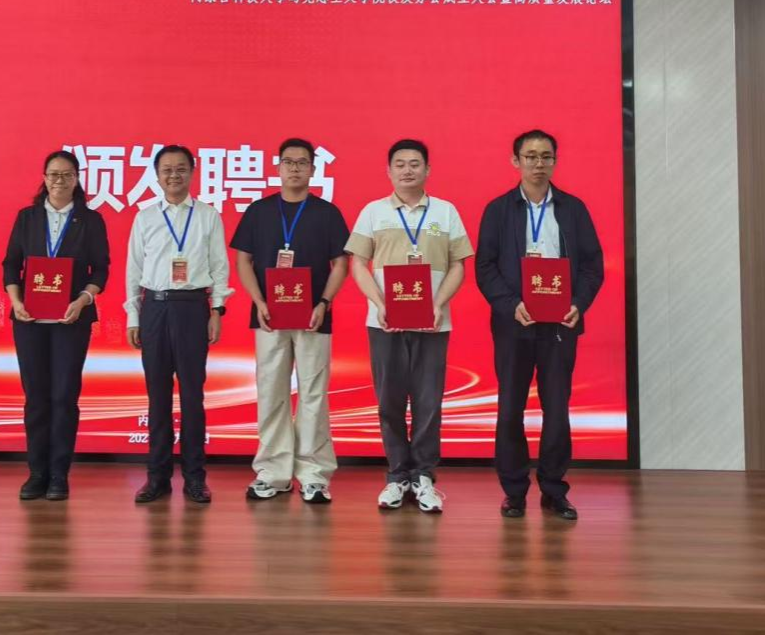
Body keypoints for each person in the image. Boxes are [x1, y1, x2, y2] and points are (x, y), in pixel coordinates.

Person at [475, 129, 603, 522]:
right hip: (514, 324)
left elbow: (592, 265)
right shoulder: (498, 210)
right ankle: (514, 492)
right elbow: (485, 267)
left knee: (557, 409)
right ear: (515, 161)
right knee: (510, 408)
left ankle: (554, 489)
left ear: (555, 162)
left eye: (546, 156)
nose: (538, 164)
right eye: (530, 156)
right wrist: (510, 304)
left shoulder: (573, 209)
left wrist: (579, 304)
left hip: (560, 324)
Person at [345, 139, 472, 514]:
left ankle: (424, 476)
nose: (407, 170)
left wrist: (437, 304)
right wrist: (380, 304)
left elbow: (459, 264)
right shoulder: (373, 212)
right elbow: (357, 264)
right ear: (388, 171)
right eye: (399, 164)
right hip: (384, 323)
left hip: (433, 322)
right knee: (390, 400)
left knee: (429, 401)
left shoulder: (446, 212)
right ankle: (397, 475)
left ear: (427, 170)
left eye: (415, 163)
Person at [231, 138, 349, 505]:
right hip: (269, 316)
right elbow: (243, 260)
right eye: (288, 162)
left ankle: (314, 475)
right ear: (278, 167)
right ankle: (273, 472)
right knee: (271, 392)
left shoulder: (327, 213)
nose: (295, 168)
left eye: (302, 162)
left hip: (314, 316)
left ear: (313, 169)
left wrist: (324, 302)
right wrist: (258, 301)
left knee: (313, 394)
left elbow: (341, 264)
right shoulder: (259, 211)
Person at [125, 145, 231, 505]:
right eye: (167, 169)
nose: (174, 175)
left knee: (192, 397)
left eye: (181, 169)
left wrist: (216, 310)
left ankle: (195, 478)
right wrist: (133, 315)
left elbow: (219, 266)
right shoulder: (145, 217)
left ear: (192, 173)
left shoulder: (208, 216)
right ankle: (156, 477)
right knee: (157, 397)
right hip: (154, 308)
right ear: (157, 176)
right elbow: (133, 270)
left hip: (192, 309)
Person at [3, 149, 110, 502]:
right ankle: (36, 472)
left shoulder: (90, 220)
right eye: (53, 174)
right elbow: (11, 264)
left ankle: (59, 474)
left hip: (71, 320)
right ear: (44, 178)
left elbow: (101, 270)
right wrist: (16, 301)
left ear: (77, 179)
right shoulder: (27, 217)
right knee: (35, 397)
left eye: (66, 175)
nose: (59, 181)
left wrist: (83, 300)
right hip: (30, 320)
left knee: (64, 396)